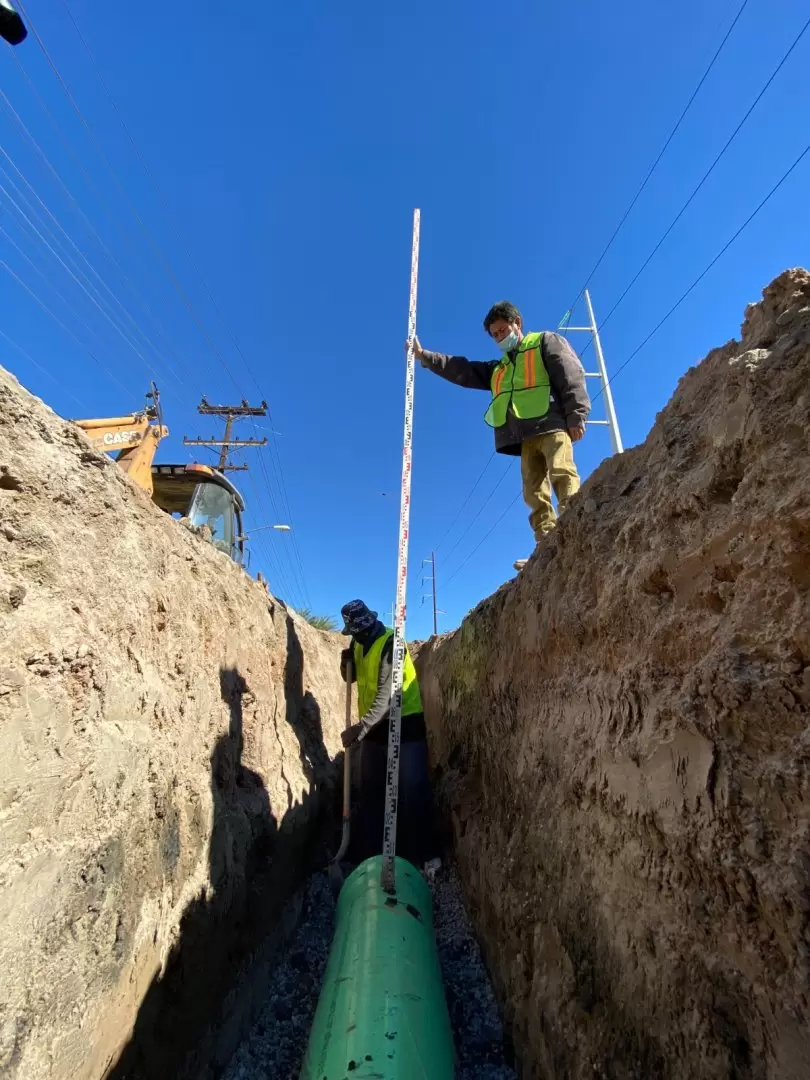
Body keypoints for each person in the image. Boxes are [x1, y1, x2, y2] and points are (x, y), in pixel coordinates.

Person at [413, 301, 591, 570]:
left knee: (562, 472)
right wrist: (425, 357)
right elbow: (462, 370)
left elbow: (570, 373)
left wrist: (577, 414)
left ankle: (576, 525)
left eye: (502, 330)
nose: (499, 337)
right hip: (524, 437)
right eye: (494, 334)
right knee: (534, 492)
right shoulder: (499, 369)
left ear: (517, 323)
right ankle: (547, 542)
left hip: (552, 423)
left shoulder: (544, 342)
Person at [338, 599, 438, 869]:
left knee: (413, 789)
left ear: (368, 624)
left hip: (405, 726)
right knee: (370, 794)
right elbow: (352, 679)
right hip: (375, 732)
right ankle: (369, 857)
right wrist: (345, 665)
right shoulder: (357, 643)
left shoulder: (392, 644)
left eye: (357, 632)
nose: (356, 637)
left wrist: (360, 728)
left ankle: (426, 855)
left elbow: (387, 694)